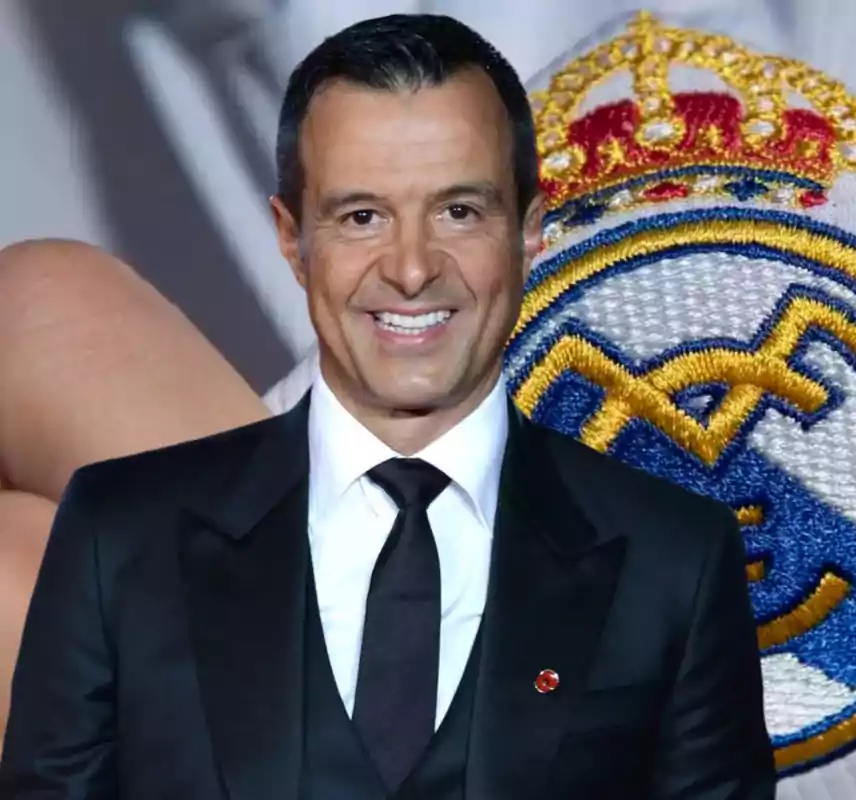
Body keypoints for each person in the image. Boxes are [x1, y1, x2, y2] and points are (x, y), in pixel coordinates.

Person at [0, 14, 774, 799]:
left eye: (459, 213)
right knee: (41, 314)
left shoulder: (680, 555)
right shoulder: (116, 516)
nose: (410, 268)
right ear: (291, 237)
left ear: (529, 232)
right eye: (364, 217)